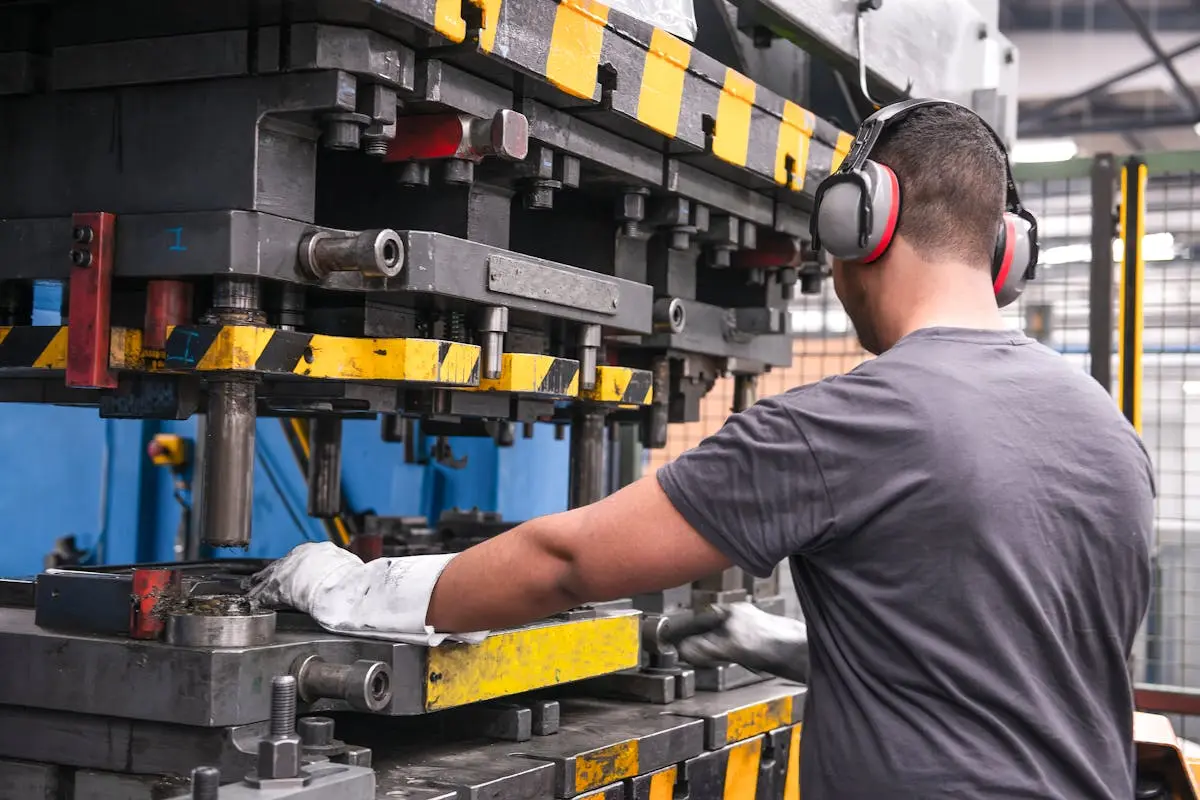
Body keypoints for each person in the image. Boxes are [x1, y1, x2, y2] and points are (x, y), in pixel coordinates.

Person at [248, 101, 1154, 798]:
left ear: (860, 226)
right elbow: (1029, 654)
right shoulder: (1107, 429)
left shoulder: (850, 424)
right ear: (1004, 254)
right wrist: (807, 645)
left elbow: (566, 563)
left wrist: (357, 587)